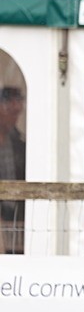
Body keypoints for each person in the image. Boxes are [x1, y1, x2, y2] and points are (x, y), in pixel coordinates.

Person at [0, 86, 27, 254]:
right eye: (11, 112)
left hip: (16, 219)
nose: (14, 117)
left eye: (17, 113)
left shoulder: (18, 143)